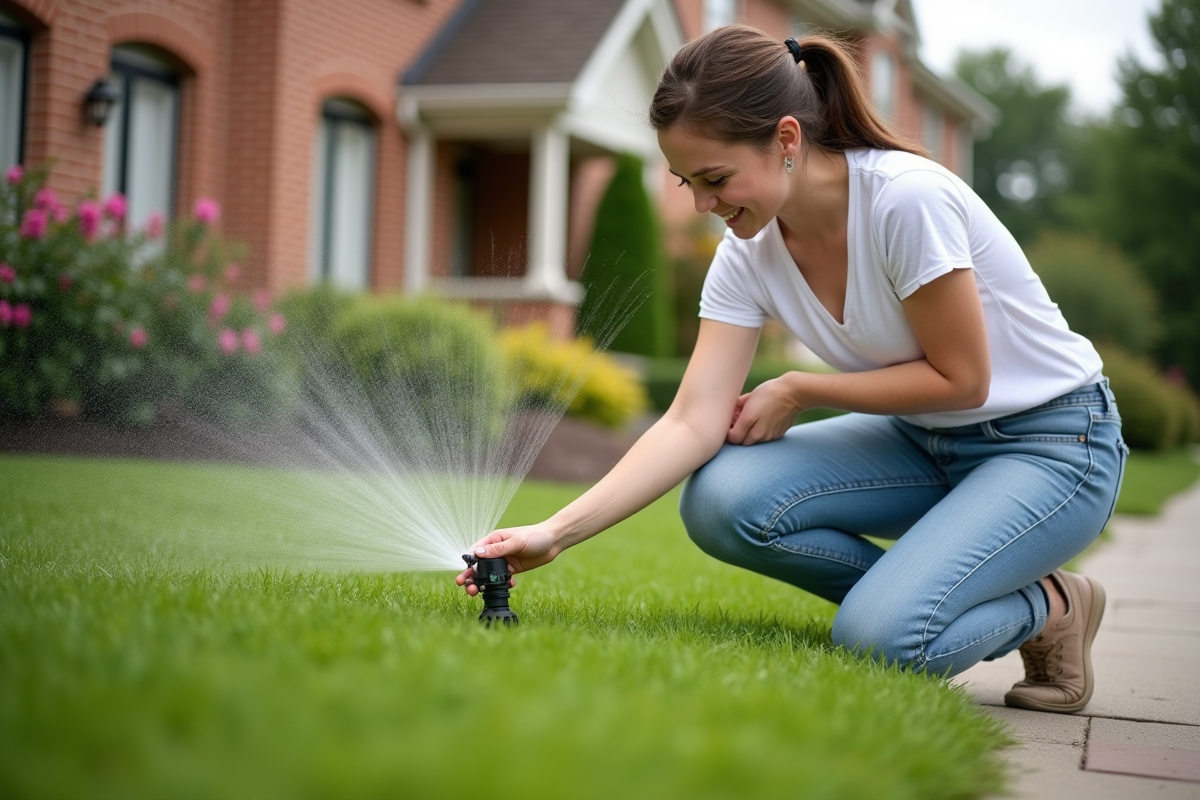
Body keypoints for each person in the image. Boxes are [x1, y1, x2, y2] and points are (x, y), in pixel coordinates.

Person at [456, 25, 1127, 713]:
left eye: (716, 179)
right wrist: (554, 533)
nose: (702, 205)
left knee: (881, 642)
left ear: (785, 139)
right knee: (720, 501)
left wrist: (800, 388)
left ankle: (1051, 605)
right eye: (686, 182)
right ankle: (917, 597)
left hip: (1051, 446)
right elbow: (691, 421)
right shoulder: (746, 251)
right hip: (923, 440)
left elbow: (964, 380)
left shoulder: (905, 200)